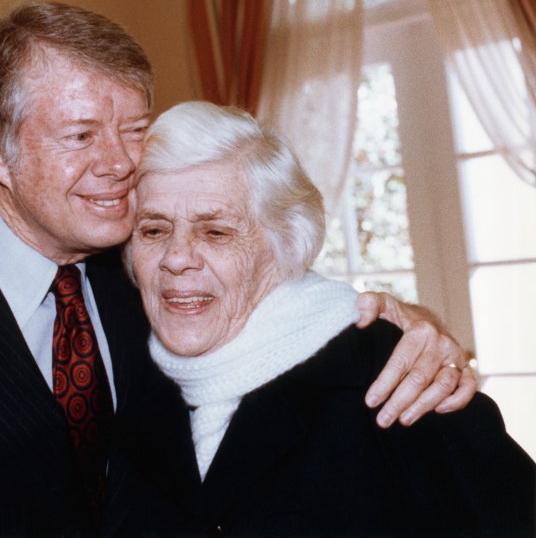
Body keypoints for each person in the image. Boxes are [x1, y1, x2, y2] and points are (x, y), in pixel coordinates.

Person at [0, 2, 474, 536]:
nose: (119, 163)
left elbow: (291, 321)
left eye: (136, 128)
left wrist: (408, 327)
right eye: (81, 135)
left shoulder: (154, 273)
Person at [111, 101, 535, 537]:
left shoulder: (392, 371)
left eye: (216, 232)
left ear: (285, 244)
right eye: (154, 231)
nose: (177, 258)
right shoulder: (125, 378)